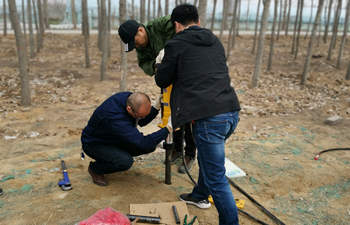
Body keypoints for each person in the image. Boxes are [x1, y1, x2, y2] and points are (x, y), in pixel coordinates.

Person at [155, 4, 241, 225]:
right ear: (198, 21)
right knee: (208, 158)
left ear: (176, 24)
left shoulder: (176, 44)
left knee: (217, 179)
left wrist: (161, 64)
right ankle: (199, 195)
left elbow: (162, 80)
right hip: (231, 112)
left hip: (209, 118)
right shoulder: (214, 40)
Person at [118, 16, 196, 173]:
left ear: (140, 30)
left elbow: (180, 23)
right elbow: (146, 66)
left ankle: (190, 154)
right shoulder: (141, 49)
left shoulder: (160, 25)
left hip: (185, 76)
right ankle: (177, 149)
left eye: (136, 41)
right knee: (169, 115)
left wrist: (170, 49)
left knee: (187, 116)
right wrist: (157, 65)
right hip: (166, 80)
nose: (137, 46)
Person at [81, 92, 171, 186]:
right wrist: (168, 129)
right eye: (141, 116)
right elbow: (143, 142)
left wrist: (156, 107)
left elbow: (141, 121)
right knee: (125, 161)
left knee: (149, 146)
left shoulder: (129, 99)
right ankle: (95, 169)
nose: (143, 118)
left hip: (112, 137)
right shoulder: (115, 119)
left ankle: (114, 155)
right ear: (129, 109)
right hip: (94, 144)